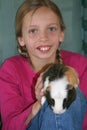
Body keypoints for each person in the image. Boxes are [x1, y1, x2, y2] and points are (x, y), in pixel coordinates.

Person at [0, 0, 87, 130]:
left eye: (51, 29)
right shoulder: (10, 70)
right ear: (21, 39)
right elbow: (9, 126)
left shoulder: (79, 64)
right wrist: (40, 104)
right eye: (33, 31)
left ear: (61, 34)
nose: (43, 37)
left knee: (69, 92)